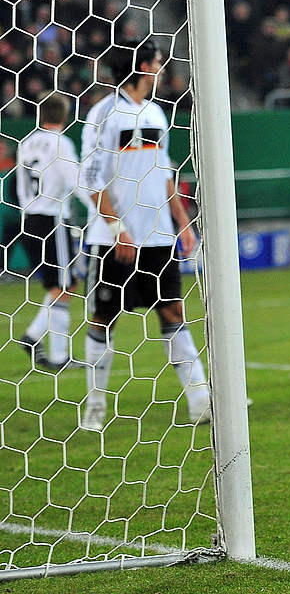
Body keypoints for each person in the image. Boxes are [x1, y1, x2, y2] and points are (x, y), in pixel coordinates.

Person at [78, 39, 207, 431]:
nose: (161, 67)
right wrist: (118, 229)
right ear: (143, 67)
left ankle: (200, 400)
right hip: (114, 238)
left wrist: (183, 222)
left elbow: (164, 172)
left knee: (173, 311)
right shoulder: (104, 114)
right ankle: (96, 406)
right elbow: (91, 180)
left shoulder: (156, 112)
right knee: (104, 318)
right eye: (156, 61)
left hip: (158, 237)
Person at [14, 93, 79, 370]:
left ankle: (40, 341)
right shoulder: (61, 143)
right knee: (66, 285)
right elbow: (75, 180)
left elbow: (18, 184)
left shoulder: (26, 143)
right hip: (53, 217)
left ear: (41, 115)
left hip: (29, 217)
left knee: (60, 285)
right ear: (65, 116)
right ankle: (51, 349)